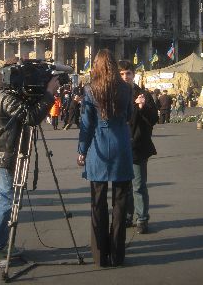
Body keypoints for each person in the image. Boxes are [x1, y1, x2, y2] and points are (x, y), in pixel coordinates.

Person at [0, 60, 59, 268]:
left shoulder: (3, 95)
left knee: (0, 202)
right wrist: (49, 93)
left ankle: (0, 245)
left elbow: (27, 111)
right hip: (2, 157)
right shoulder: (6, 98)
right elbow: (31, 117)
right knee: (5, 203)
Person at [78, 49, 133, 268]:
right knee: (120, 204)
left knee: (97, 203)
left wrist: (81, 150)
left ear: (98, 66)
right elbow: (129, 116)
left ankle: (100, 255)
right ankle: (118, 254)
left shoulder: (90, 90)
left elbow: (86, 125)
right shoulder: (126, 89)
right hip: (120, 146)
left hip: (98, 147)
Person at [118, 60, 158, 234]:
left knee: (138, 185)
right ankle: (126, 216)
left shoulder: (143, 94)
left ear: (134, 74)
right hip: (119, 147)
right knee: (123, 186)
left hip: (137, 147)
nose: (125, 77)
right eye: (121, 74)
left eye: (128, 73)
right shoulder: (116, 94)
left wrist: (142, 108)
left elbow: (154, 119)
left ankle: (141, 218)